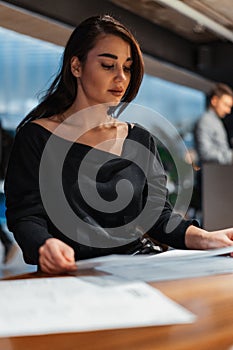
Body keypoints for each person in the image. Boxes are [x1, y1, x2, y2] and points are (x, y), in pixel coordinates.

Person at [4, 15, 233, 275]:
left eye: (127, 67)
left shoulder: (139, 139)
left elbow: (158, 217)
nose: (121, 78)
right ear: (76, 66)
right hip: (70, 274)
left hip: (141, 267)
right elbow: (26, 216)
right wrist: (45, 245)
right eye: (107, 65)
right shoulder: (36, 137)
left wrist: (207, 239)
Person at [195, 83, 233, 165]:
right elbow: (205, 153)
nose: (228, 110)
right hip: (210, 175)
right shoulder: (205, 121)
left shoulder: (217, 122)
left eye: (230, 107)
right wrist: (230, 156)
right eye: (226, 105)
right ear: (214, 101)